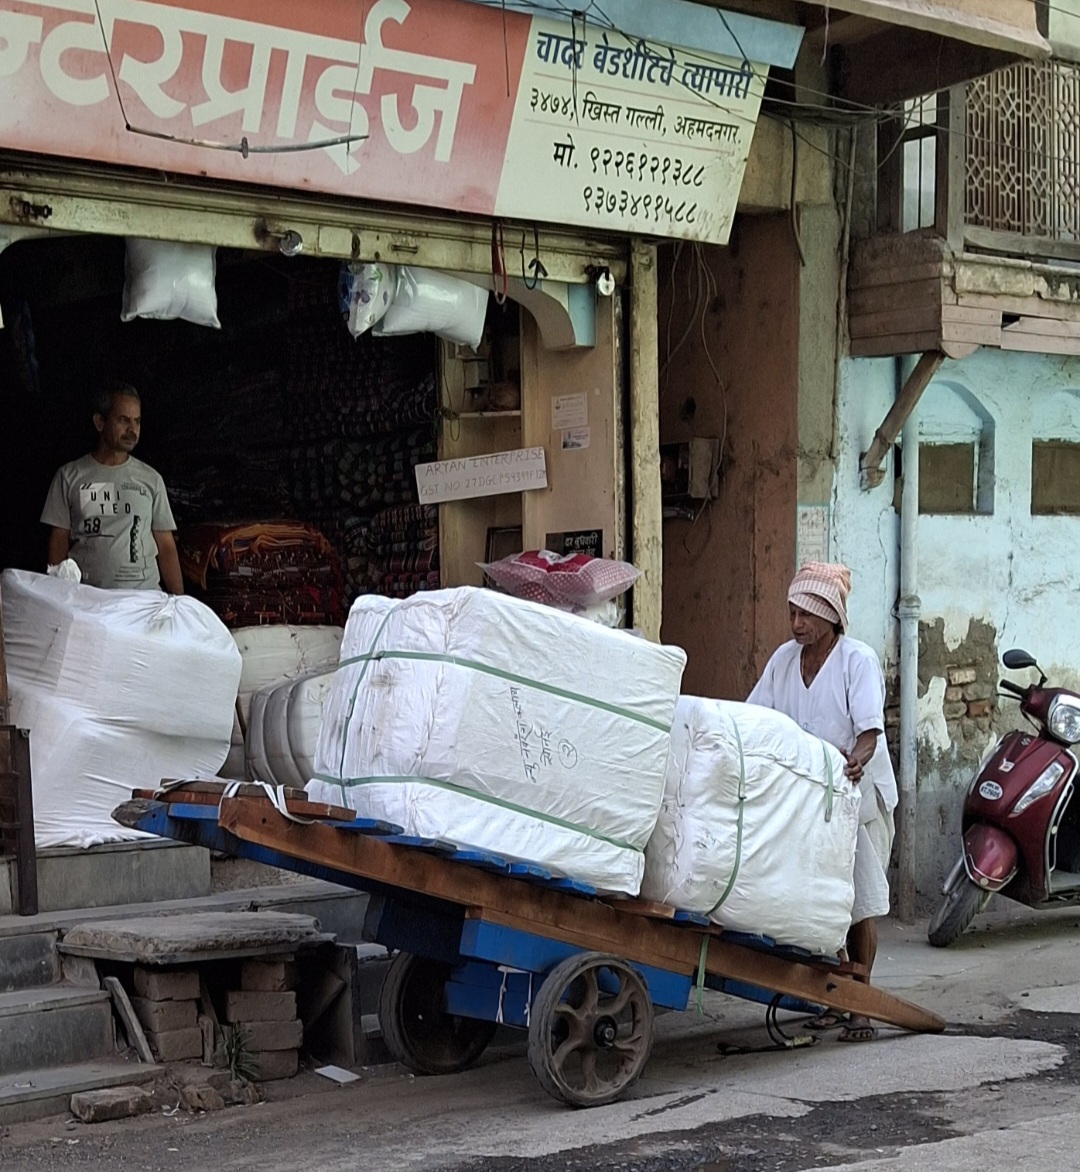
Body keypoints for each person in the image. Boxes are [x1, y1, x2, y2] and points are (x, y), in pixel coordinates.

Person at [747, 562, 897, 1043]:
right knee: (823, 901)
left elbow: (869, 731)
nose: (797, 624)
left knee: (857, 901)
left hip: (857, 796)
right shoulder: (783, 661)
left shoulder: (858, 660)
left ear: (833, 617)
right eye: (792, 613)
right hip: (810, 800)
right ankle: (836, 997)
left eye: (807, 615)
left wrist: (855, 759)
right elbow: (756, 716)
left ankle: (860, 1006)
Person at [40, 383, 184, 594]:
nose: (132, 430)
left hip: (144, 600)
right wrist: (58, 596)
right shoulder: (69, 476)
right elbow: (59, 539)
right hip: (88, 600)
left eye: (137, 421)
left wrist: (179, 600)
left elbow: (166, 545)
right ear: (100, 422)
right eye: (123, 420)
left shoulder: (151, 479)